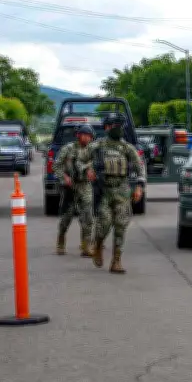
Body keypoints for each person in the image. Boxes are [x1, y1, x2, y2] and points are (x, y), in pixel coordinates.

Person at [78, 113, 145, 274]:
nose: (118, 128)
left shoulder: (127, 148)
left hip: (122, 191)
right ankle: (98, 244)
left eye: (120, 125)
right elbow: (80, 159)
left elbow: (140, 167)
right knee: (104, 225)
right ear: (107, 127)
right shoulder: (98, 146)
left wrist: (139, 186)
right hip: (104, 191)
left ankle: (116, 261)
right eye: (115, 125)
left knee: (121, 225)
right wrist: (87, 169)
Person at [54, 124, 96, 257]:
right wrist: (64, 177)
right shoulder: (68, 148)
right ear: (78, 135)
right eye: (85, 135)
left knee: (87, 217)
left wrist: (93, 172)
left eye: (89, 136)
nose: (87, 138)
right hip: (70, 187)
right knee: (66, 217)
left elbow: (97, 165)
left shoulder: (92, 151)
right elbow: (56, 165)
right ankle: (61, 241)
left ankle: (86, 246)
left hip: (85, 186)